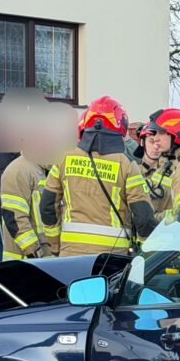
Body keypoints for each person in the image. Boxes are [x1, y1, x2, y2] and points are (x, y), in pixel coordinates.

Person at [39, 96, 157, 256]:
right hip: (112, 257)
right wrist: (144, 251)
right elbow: (144, 216)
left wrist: (55, 246)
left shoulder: (64, 159)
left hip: (70, 253)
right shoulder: (127, 165)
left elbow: (47, 206)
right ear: (120, 125)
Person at [135, 108, 180, 218]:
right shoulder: (166, 165)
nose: (156, 139)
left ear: (178, 135)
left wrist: (152, 220)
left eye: (162, 133)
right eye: (154, 135)